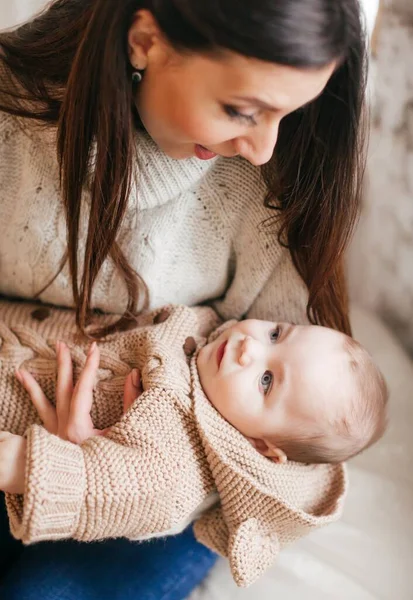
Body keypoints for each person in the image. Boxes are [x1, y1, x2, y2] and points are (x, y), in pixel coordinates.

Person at [0, 0, 368, 597]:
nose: (265, 148)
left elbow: (300, 455)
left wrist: (110, 473)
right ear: (144, 39)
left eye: (289, 115)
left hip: (167, 484)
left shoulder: (271, 182)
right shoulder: (10, 121)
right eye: (243, 111)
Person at [0, 302, 386, 586]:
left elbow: (101, 487)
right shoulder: (208, 332)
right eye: (276, 334)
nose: (248, 347)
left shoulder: (175, 464)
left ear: (260, 445)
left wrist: (25, 464)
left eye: (266, 380)